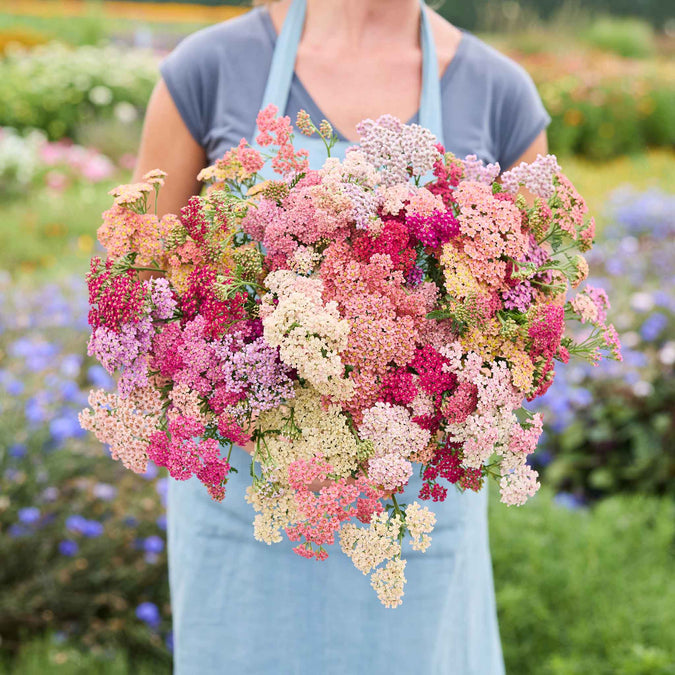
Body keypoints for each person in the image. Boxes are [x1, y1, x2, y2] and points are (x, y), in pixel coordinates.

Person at [132, 1, 551, 672]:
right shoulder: (207, 70)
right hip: (246, 522)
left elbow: (530, 312)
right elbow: (138, 286)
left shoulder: (497, 90)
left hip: (412, 524)